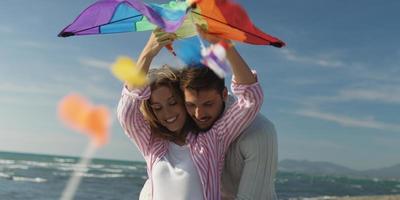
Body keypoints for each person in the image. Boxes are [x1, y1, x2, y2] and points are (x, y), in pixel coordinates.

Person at [118, 27, 263, 200]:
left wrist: (226, 45)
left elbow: (251, 99)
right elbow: (127, 112)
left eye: (173, 103)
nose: (167, 112)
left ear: (184, 101)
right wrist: (148, 53)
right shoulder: (151, 143)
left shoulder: (212, 138)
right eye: (158, 108)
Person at [179, 29, 278, 200]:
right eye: (191, 105)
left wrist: (226, 46)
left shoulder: (259, 132)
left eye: (208, 104)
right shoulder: (187, 118)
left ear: (224, 94)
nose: (199, 114)